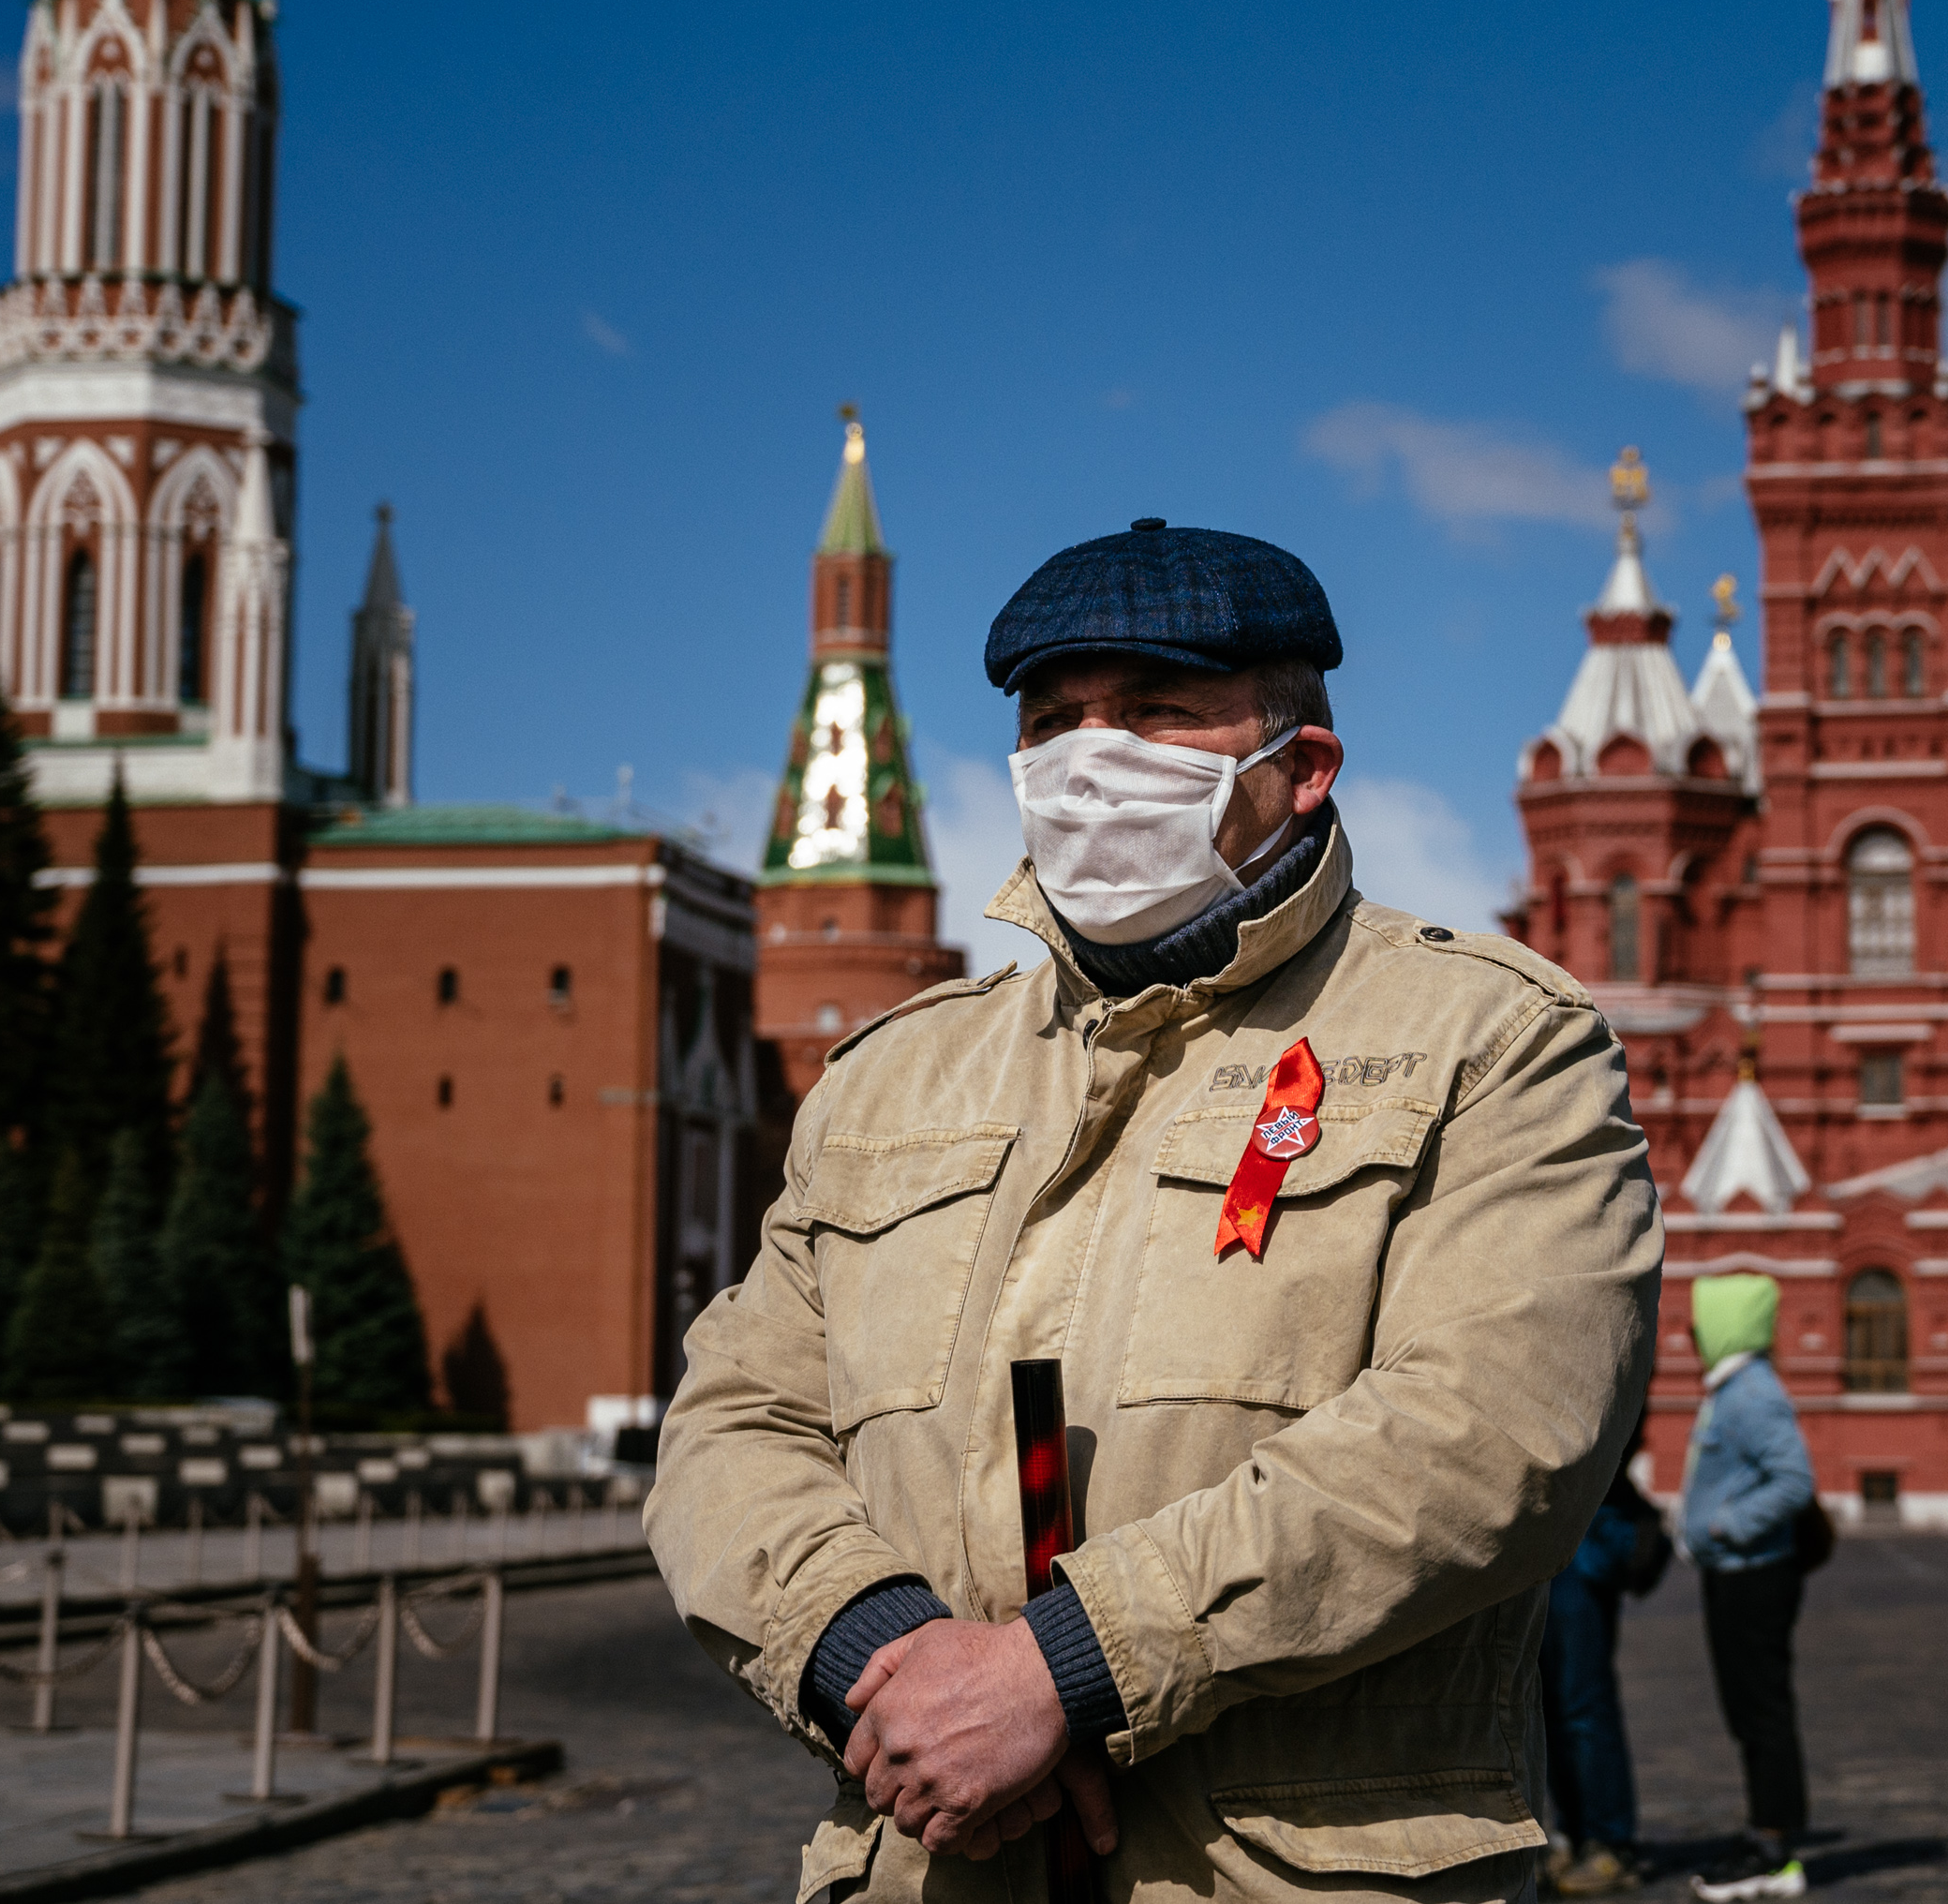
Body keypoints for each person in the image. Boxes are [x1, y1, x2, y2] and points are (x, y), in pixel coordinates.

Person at [647, 518, 1665, 1902]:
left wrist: (1068, 1669)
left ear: (1301, 768)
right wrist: (872, 1657)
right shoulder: (895, 1078)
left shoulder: (1487, 1041)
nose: (1089, 759)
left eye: (1158, 713)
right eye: (1054, 720)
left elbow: (1497, 1431)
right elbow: (732, 1422)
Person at [1675, 1273, 1817, 1902]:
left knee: (1762, 1709)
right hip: (1735, 1572)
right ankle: (1765, 1832)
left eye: (1702, 1321)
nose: (1692, 1333)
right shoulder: (1734, 1387)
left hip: (1753, 1573)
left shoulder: (1751, 1392)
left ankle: (1774, 1849)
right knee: (1749, 1710)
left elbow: (1794, 1479)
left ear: (1727, 1323)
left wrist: (1724, 1524)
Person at [1540, 1459, 1667, 1896]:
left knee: (1583, 1700)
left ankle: (1610, 1841)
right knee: (1549, 1702)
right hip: (1540, 1529)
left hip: (1581, 1530)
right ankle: (1573, 1834)